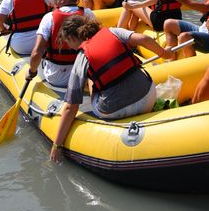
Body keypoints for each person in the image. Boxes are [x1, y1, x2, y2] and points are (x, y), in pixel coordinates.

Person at [49, 15, 174, 162]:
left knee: (92, 77)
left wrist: (57, 145)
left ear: (71, 38)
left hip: (115, 111)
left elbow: (71, 107)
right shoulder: (113, 32)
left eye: (67, 42)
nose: (69, 47)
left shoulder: (81, 58)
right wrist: (164, 53)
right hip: (148, 97)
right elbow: (144, 39)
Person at [25, 0, 96, 88]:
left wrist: (31, 72)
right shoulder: (88, 14)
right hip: (83, 74)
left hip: (56, 77)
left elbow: (37, 52)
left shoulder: (49, 18)